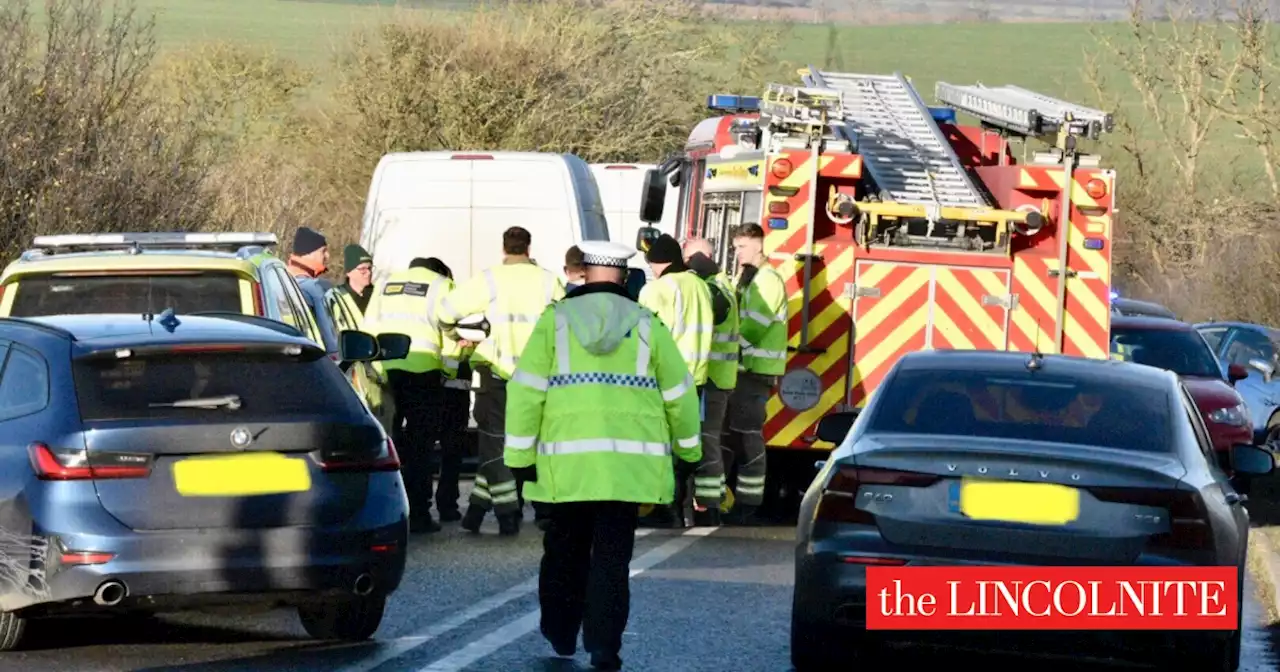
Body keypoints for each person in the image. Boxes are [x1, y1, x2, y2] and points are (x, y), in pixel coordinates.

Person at [504, 240, 701, 671]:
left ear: (585, 271)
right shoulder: (648, 325)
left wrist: (519, 459)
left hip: (564, 468)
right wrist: (689, 453)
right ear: (623, 274)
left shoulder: (555, 322)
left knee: (563, 551)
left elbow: (525, 392)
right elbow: (680, 396)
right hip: (626, 471)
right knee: (612, 560)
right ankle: (604, 645)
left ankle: (560, 631)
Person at [437, 226, 566, 536]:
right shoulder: (549, 281)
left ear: (504, 248)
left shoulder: (489, 279)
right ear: (528, 248)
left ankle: (508, 511)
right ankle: (479, 510)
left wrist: (460, 337)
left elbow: (445, 313)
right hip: (538, 375)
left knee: (494, 442)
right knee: (527, 444)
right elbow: (566, 324)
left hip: (494, 373)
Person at [363, 257, 455, 534]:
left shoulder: (384, 283)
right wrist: (449, 371)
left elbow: (368, 326)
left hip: (387, 371)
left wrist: (375, 369)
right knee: (422, 445)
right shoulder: (441, 285)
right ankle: (419, 514)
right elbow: (449, 331)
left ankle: (386, 512)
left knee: (387, 441)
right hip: (424, 370)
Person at [635, 233, 713, 528]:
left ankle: (663, 506)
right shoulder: (700, 286)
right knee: (685, 445)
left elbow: (647, 339)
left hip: (665, 380)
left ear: (659, 263)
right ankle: (678, 504)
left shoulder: (658, 289)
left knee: (659, 445)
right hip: (696, 378)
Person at [724, 223, 788, 525]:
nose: (737, 254)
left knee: (748, 436)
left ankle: (749, 503)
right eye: (736, 248)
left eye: (742, 247)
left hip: (755, 371)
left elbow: (753, 327)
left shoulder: (767, 281)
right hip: (745, 370)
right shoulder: (751, 279)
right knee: (737, 434)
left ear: (759, 246)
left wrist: (727, 347)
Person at [682, 237, 738, 527]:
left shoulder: (713, 287)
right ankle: (710, 501)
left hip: (712, 377)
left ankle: (709, 505)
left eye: (689, 261)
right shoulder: (721, 282)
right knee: (709, 440)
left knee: (707, 440)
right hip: (717, 376)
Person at [420, 257, 472, 523]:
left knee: (424, 446)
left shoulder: (416, 304)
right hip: (454, 385)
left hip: (427, 382)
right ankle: (447, 503)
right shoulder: (449, 298)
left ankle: (424, 501)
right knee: (452, 450)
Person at [286, 226, 339, 356]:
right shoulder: (314, 289)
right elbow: (331, 344)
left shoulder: (277, 282)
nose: (327, 256)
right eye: (323, 251)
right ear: (310, 253)